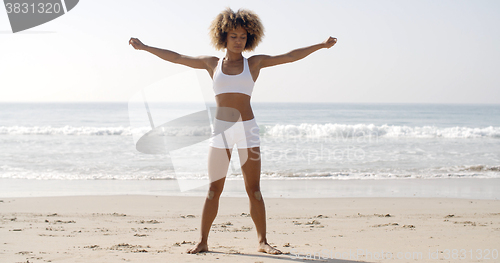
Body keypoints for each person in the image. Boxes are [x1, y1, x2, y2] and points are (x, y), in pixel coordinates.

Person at [129, 7, 337, 255]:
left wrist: (321, 46)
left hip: (248, 130)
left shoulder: (255, 63)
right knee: (214, 189)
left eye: (243, 37)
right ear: (224, 37)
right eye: (234, 36)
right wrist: (146, 47)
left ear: (249, 38)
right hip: (221, 132)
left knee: (254, 189)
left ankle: (262, 241)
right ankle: (203, 241)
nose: (239, 41)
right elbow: (177, 57)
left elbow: (290, 56)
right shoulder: (211, 64)